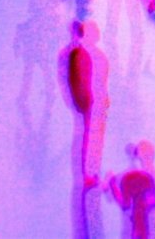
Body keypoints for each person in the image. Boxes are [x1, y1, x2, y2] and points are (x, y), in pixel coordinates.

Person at [59, 21, 108, 187]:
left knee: (86, 136)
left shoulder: (75, 52)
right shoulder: (78, 53)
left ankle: (86, 173)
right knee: (84, 137)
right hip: (85, 101)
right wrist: (83, 100)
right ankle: (85, 175)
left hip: (86, 100)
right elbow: (78, 79)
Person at [107, 140, 155, 239]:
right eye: (143, 154)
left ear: (153, 154)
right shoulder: (134, 177)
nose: (146, 157)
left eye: (148, 153)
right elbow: (125, 204)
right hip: (140, 227)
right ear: (139, 156)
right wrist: (112, 185)